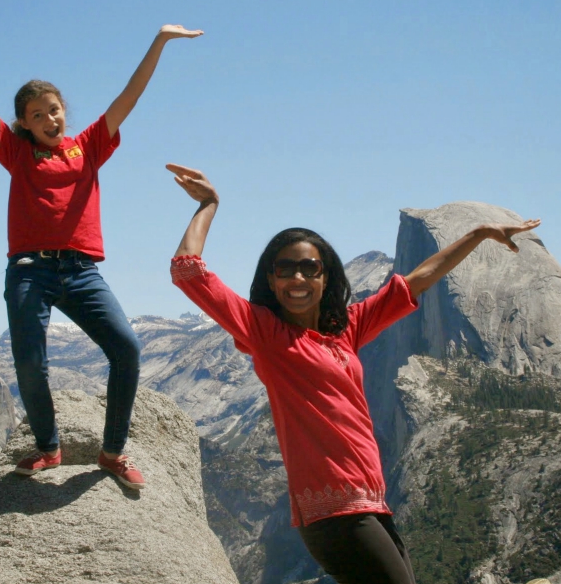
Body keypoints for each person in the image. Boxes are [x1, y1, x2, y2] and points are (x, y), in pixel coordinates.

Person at [166, 163, 541, 584]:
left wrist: (480, 234)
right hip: (331, 514)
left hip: (370, 504)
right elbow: (187, 271)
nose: (298, 277)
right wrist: (209, 204)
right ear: (271, 280)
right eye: (286, 268)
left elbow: (417, 280)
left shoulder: (347, 329)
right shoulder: (265, 333)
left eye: (311, 268)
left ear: (326, 278)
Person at [0, 25, 203, 489]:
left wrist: (158, 41)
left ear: (64, 112)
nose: (50, 120)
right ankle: (49, 446)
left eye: (54, 110)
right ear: (25, 123)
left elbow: (129, 97)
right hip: (29, 271)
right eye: (38, 115)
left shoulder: (90, 145)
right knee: (30, 362)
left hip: (81, 271)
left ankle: (113, 452)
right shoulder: (17, 154)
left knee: (127, 349)